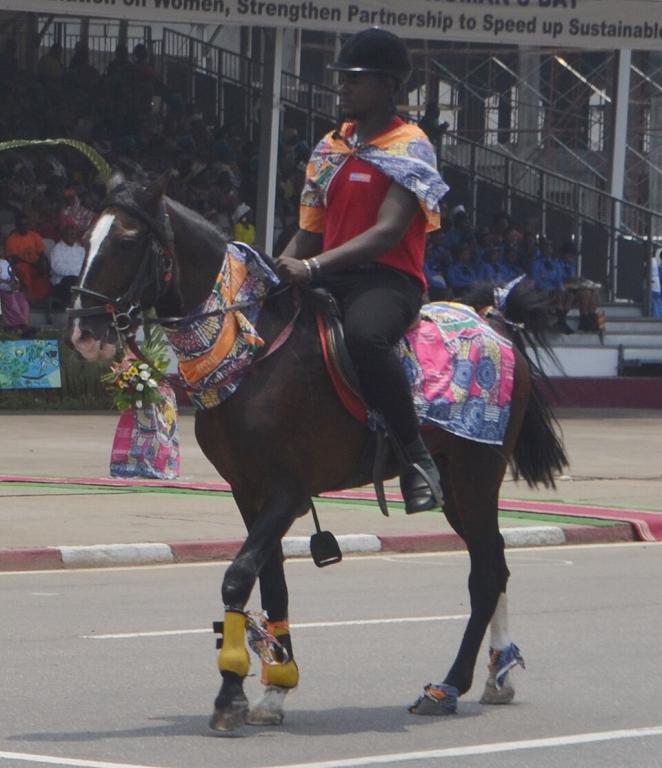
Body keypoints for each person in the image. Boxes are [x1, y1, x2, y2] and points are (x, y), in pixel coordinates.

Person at [276, 28, 448, 514]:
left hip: (387, 281)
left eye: (355, 80)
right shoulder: (330, 148)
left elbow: (387, 232)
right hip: (328, 274)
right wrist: (274, 274)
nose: (343, 87)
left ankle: (417, 459)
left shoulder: (411, 147)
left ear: (389, 86)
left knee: (367, 338)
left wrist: (309, 267)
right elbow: (308, 231)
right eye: (342, 79)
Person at [4, 213, 51, 303]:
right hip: (20, 265)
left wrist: (41, 263)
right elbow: (14, 258)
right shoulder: (11, 239)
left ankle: (41, 299)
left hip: (36, 263)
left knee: (43, 268)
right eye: (21, 225)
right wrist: (32, 264)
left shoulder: (34, 235)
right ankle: (29, 298)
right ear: (16, 226)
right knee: (24, 269)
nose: (23, 227)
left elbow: (41, 253)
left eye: (26, 224)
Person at [48, 221, 85, 305]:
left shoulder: (81, 250)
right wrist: (77, 273)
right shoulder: (57, 249)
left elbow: (85, 266)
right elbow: (57, 268)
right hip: (62, 283)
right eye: (67, 234)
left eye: (72, 234)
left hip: (79, 280)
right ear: (63, 235)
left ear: (76, 236)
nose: (70, 236)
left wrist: (78, 274)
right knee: (72, 280)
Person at [0, 250, 31, 332]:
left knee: (22, 301)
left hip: (9, 288)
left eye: (2, 250)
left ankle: (23, 324)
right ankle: (19, 324)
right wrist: (8, 284)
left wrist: (16, 284)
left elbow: (13, 278)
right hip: (3, 289)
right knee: (10, 299)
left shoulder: (6, 263)